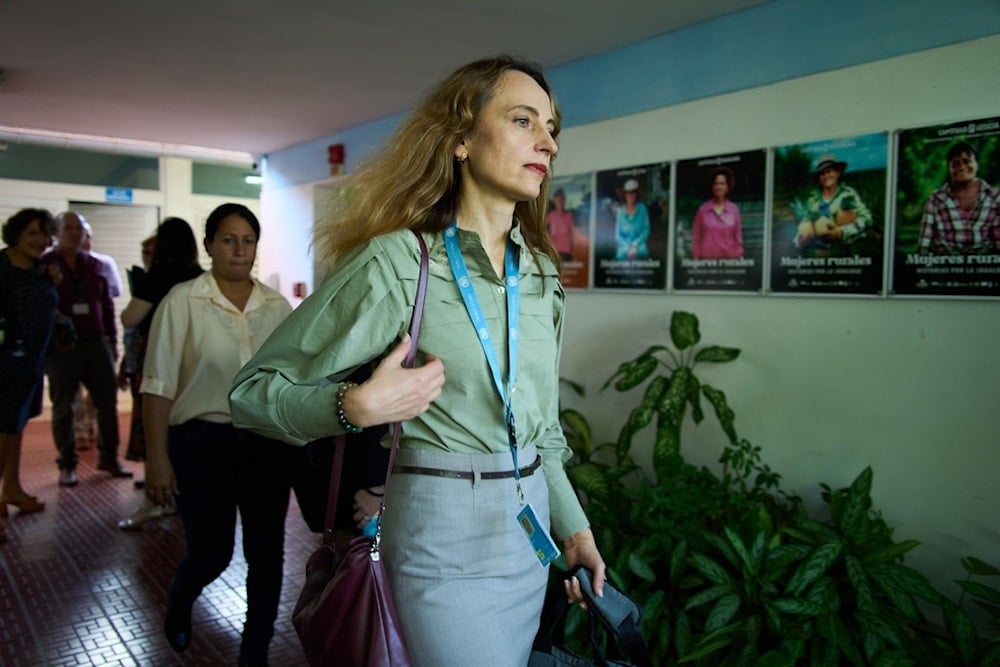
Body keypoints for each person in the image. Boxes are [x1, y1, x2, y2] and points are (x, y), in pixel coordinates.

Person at [229, 55, 607, 666]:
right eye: (522, 120)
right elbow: (251, 393)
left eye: (552, 126)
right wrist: (349, 406)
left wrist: (575, 529)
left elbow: (540, 430)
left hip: (527, 534)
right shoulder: (402, 262)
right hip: (440, 537)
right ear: (460, 138)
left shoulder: (538, 271)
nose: (548, 141)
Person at [140, 203, 293, 665]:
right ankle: (182, 596)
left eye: (248, 240)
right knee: (212, 553)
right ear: (208, 245)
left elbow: (291, 379)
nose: (239, 249)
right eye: (228, 239)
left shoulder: (277, 306)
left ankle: (255, 651)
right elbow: (158, 384)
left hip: (265, 445)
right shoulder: (182, 301)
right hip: (201, 445)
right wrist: (157, 459)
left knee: (267, 555)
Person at [118, 220, 203, 531]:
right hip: (192, 366)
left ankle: (156, 499)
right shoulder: (200, 278)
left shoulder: (158, 276)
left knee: (154, 426)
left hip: (158, 362)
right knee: (182, 428)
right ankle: (179, 496)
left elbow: (130, 317)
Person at [40, 211, 131, 487]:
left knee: (107, 404)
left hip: (96, 343)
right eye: (68, 228)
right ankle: (66, 464)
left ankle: (109, 458)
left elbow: (107, 305)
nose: (75, 233)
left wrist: (112, 344)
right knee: (63, 408)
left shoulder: (95, 265)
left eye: (79, 229)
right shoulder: (44, 265)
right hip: (62, 348)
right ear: (57, 232)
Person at [0, 209, 60, 541]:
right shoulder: (3, 269)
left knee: (16, 426)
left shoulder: (38, 269)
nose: (41, 240)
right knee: (3, 430)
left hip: (32, 363)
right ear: (17, 233)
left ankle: (11, 488)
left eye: (45, 233)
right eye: (33, 232)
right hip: (6, 362)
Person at [918, 140, 1000, 255]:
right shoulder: (936, 199)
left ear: (977, 164)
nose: (961, 167)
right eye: (955, 163)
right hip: (943, 268)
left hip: (983, 267)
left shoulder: (995, 197)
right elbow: (924, 242)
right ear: (949, 168)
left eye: (967, 161)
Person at [794, 153, 874, 256]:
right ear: (819, 178)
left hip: (841, 255)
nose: (826, 176)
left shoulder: (848, 194)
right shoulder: (812, 199)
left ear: (837, 173)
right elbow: (804, 224)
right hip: (816, 256)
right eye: (822, 173)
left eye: (829, 171)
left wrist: (841, 232)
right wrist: (800, 240)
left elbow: (867, 219)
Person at [691, 166, 744, 259]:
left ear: (727, 187)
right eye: (716, 184)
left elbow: (737, 237)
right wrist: (696, 256)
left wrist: (738, 257)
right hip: (706, 262)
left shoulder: (734, 209)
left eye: (722, 184)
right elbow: (696, 235)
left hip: (728, 262)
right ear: (712, 187)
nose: (719, 187)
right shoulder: (703, 209)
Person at [614, 177, 650, 260]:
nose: (631, 195)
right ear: (625, 194)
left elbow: (646, 229)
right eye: (628, 192)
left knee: (643, 253)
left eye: (634, 192)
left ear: (637, 194)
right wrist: (627, 248)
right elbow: (617, 235)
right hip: (624, 245)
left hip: (639, 244)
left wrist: (635, 245)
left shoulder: (642, 208)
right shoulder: (620, 211)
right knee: (620, 257)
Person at [546, 188, 574, 261]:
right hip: (554, 250)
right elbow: (544, 230)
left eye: (561, 201)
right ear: (555, 201)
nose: (560, 203)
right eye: (558, 201)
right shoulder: (551, 215)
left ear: (564, 201)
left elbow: (572, 233)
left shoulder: (569, 215)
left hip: (565, 251)